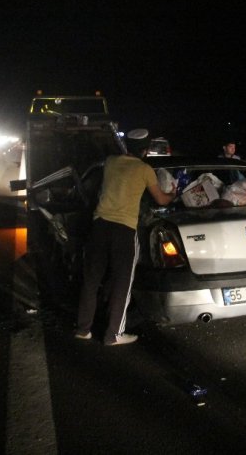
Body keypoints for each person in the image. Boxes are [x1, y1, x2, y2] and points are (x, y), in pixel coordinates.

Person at [75, 128, 176, 346]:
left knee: (91, 281)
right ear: (147, 150)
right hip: (124, 231)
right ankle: (113, 335)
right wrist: (173, 194)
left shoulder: (111, 161)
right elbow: (160, 200)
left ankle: (83, 329)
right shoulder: (145, 169)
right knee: (123, 284)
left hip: (99, 227)